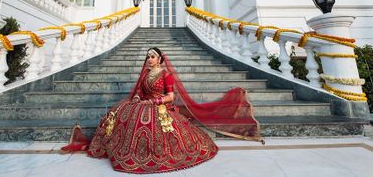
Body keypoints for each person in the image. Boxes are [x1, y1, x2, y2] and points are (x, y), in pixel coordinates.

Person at [62, 47, 262, 174]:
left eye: (152, 56)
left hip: (160, 106)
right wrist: (139, 98)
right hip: (143, 103)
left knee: (150, 121)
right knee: (120, 110)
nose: (149, 59)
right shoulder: (146, 74)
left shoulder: (166, 75)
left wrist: (153, 102)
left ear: (159, 59)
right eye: (148, 56)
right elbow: (139, 91)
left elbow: (171, 97)